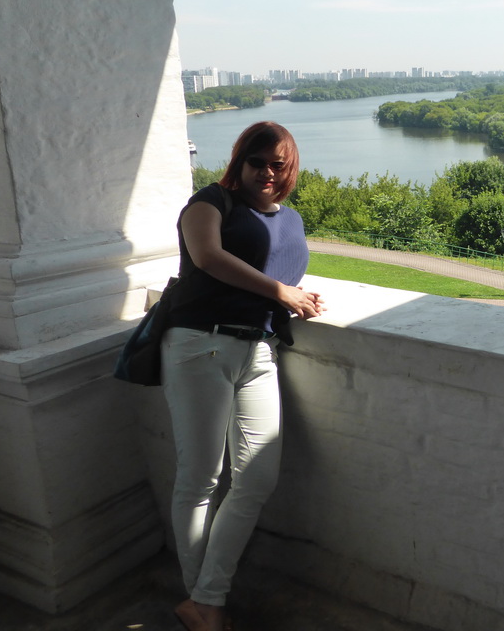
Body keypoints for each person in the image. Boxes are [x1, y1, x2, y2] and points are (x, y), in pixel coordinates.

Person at [162, 121, 323, 631]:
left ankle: (204, 600)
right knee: (200, 480)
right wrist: (282, 293)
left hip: (259, 353)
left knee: (256, 478)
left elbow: (280, 269)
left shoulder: (292, 220)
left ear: (290, 169)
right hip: (200, 345)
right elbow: (209, 257)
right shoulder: (211, 202)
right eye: (258, 163)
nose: (268, 173)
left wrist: (296, 296)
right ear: (240, 162)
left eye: (279, 165)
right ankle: (203, 602)